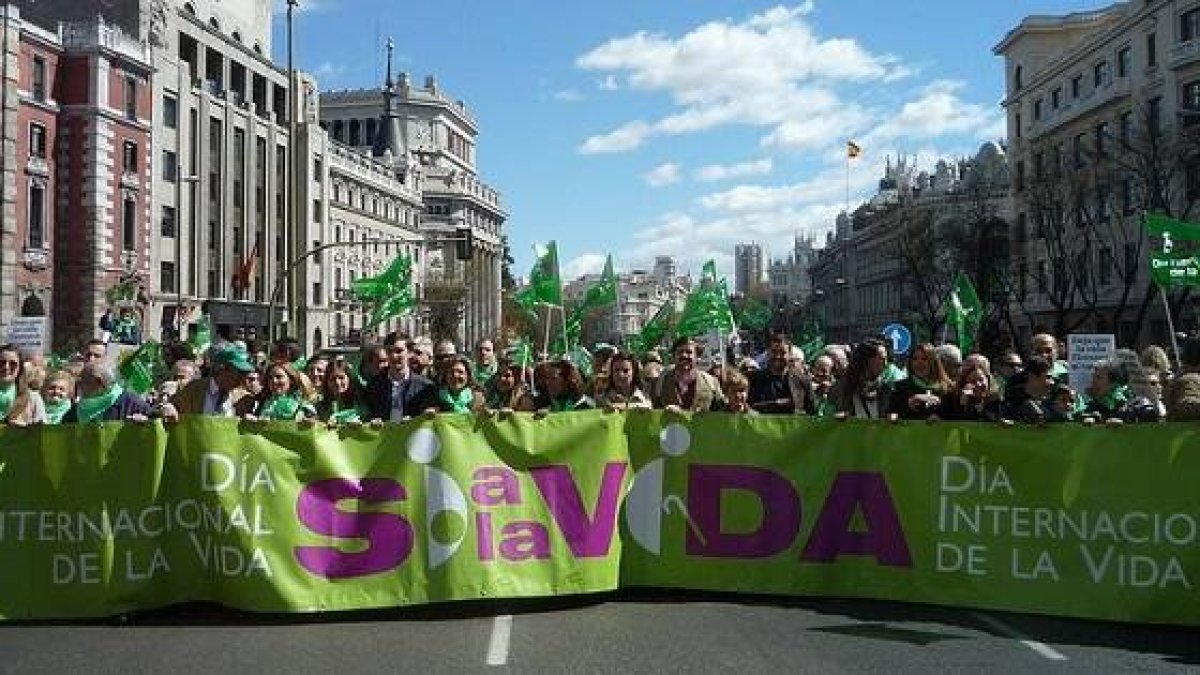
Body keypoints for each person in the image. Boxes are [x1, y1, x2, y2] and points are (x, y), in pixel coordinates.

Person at [161, 344, 256, 420]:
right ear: (221, 368)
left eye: (245, 373)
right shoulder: (194, 388)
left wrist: (248, 421)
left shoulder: (244, 398)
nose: (243, 379)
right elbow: (171, 405)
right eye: (239, 373)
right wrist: (169, 408)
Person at [367, 334, 436, 422]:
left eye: (399, 351)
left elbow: (428, 419)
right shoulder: (374, 385)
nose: (394, 356)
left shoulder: (425, 387)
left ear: (410, 353)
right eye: (389, 351)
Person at [652, 336, 725, 413]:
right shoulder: (660, 382)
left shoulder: (711, 383)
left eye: (689, 352)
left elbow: (723, 411)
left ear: (697, 357)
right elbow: (651, 408)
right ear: (673, 356)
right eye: (680, 352)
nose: (684, 355)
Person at [63, 363, 153, 423]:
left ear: (99, 382)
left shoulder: (131, 403)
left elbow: (155, 421)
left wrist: (145, 421)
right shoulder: (74, 412)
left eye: (83, 382)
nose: (79, 386)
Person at [748, 333, 813, 415]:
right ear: (768, 353)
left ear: (790, 354)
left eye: (782, 353)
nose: (778, 356)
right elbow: (749, 407)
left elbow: (812, 412)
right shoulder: (754, 379)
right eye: (774, 352)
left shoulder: (802, 381)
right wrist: (777, 404)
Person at [830, 338, 893, 419]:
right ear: (867, 360)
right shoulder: (841, 389)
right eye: (882, 359)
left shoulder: (885, 390)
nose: (885, 364)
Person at [890, 343, 952, 420]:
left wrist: (940, 417)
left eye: (924, 359)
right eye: (915, 359)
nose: (919, 362)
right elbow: (891, 415)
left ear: (933, 362)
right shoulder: (900, 387)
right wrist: (907, 405)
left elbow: (956, 416)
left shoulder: (948, 389)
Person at [245, 362, 316, 421]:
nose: (274, 381)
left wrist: (307, 421)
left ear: (291, 379)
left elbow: (313, 422)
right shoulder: (263, 402)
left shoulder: (302, 402)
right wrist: (253, 419)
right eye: (270, 378)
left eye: (279, 377)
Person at [0, 344, 45, 425]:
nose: (6, 367)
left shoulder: (33, 398)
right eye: (1, 362)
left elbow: (45, 431)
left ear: (20, 368)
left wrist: (24, 428)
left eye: (13, 364)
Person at [1004, 356, 1056, 423]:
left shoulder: (1049, 405)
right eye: (1047, 377)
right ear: (1032, 376)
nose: (1052, 382)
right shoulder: (1010, 408)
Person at [317, 359, 368, 424]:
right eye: (333, 379)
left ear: (349, 378)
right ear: (327, 382)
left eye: (341, 378)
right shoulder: (320, 405)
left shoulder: (361, 402)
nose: (337, 382)